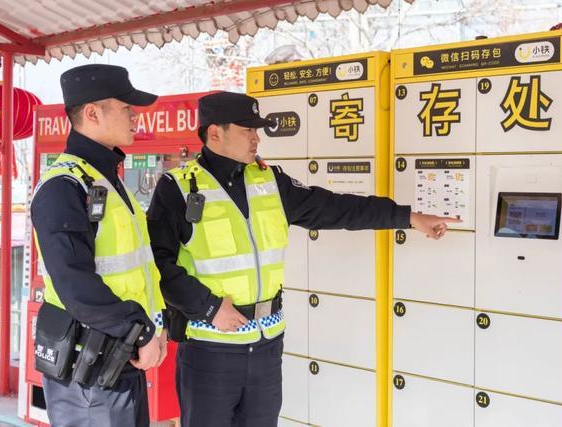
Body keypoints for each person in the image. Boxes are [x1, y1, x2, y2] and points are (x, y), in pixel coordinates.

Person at [146, 91, 459, 427]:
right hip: (211, 349)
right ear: (215, 133)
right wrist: (209, 307)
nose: (256, 138)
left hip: (266, 345)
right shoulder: (177, 188)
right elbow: (157, 264)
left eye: (258, 130)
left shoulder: (269, 180)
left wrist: (408, 217)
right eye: (247, 130)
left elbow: (334, 208)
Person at [31, 64, 167, 427]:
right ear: (92, 113)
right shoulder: (63, 186)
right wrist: (141, 330)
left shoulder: (106, 179)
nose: (135, 115)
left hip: (118, 359)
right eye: (126, 107)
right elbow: (75, 285)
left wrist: (153, 326)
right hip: (88, 375)